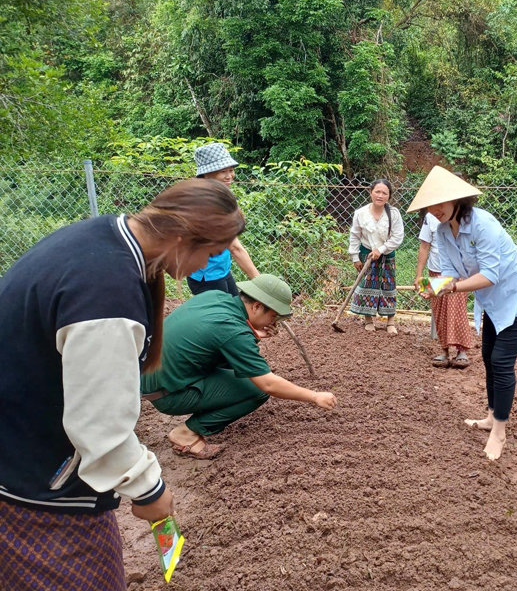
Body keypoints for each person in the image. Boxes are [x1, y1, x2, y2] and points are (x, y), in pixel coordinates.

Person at [0, 179, 245, 590]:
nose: (208, 266)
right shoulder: (107, 294)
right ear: (183, 238)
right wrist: (149, 489)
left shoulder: (102, 237)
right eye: (212, 253)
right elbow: (100, 426)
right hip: (33, 484)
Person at [407, 166, 517, 460]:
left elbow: (491, 275)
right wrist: (434, 286)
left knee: (501, 359)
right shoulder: (443, 231)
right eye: (430, 206)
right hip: (492, 299)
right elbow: (450, 273)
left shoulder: (483, 223)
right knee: (488, 357)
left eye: (440, 203)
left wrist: (451, 287)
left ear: (458, 200)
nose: (435, 210)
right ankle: (492, 417)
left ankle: (499, 433)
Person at [142, 274, 338, 459]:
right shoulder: (233, 331)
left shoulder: (215, 297)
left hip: (152, 376)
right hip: (167, 395)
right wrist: (315, 396)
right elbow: (267, 384)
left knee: (239, 369)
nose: (274, 323)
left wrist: (250, 335)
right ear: (257, 306)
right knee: (256, 391)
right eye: (274, 316)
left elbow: (215, 342)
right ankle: (186, 433)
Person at [187, 142, 260, 296]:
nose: (229, 176)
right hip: (206, 277)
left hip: (220, 270)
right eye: (222, 171)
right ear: (206, 174)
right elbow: (235, 248)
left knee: (235, 307)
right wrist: (260, 283)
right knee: (221, 317)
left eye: (231, 170)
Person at [415, 208, 473, 368]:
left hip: (459, 270)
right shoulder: (430, 217)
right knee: (439, 311)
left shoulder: (465, 216)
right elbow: (424, 246)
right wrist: (419, 276)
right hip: (435, 269)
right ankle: (445, 351)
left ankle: (462, 351)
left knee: (457, 309)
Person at [348, 179, 405, 334]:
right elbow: (355, 235)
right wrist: (355, 257)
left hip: (386, 255)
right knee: (367, 285)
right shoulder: (360, 213)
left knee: (388, 286)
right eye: (377, 192)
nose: (380, 195)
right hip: (367, 254)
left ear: (389, 196)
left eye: (384, 193)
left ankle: (390, 322)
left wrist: (382, 249)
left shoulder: (393, 214)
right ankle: (368, 319)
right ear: (370, 192)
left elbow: (397, 237)